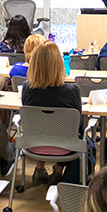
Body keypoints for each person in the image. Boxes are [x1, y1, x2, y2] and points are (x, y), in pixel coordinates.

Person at [21, 41, 86, 185]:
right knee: (85, 140)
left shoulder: (27, 89)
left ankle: (39, 169)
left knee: (42, 126)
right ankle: (58, 172)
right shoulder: (71, 91)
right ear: (59, 64)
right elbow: (78, 124)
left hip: (33, 145)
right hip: (67, 146)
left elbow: (31, 120)